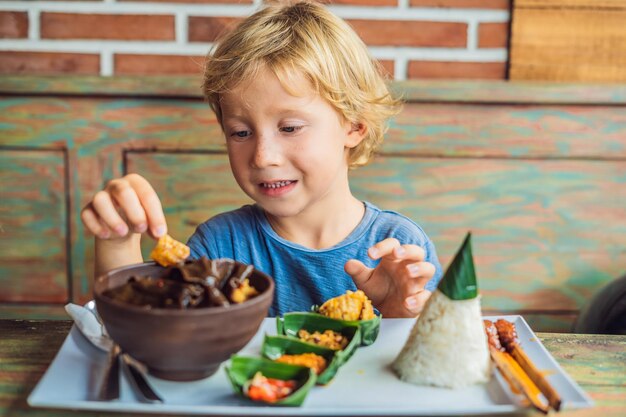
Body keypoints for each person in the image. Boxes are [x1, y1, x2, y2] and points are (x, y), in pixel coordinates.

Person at [80, 0, 442, 317]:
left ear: (354, 126)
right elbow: (143, 334)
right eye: (240, 132)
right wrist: (118, 241)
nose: (263, 156)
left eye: (290, 128)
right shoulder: (219, 247)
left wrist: (398, 317)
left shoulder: (400, 248)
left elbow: (432, 368)